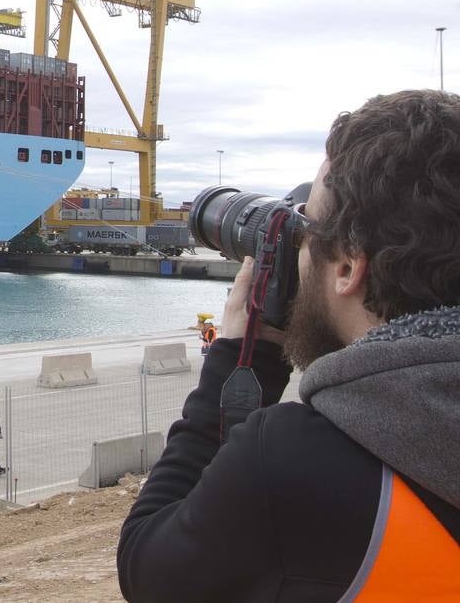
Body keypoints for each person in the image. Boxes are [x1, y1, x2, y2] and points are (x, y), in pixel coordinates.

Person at [118, 89, 460, 601]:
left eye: (309, 224)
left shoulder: (293, 462)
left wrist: (242, 355)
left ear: (347, 266)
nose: (301, 247)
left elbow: (147, 567)